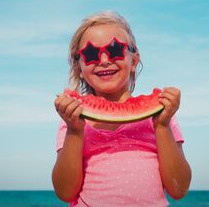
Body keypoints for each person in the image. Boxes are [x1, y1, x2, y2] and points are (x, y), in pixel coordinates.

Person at [52, 11, 191, 206]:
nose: (104, 60)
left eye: (115, 49)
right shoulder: (73, 117)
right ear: (79, 68)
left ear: (133, 61)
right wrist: (75, 131)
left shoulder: (161, 114)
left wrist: (162, 127)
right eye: (91, 54)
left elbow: (178, 188)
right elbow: (65, 192)